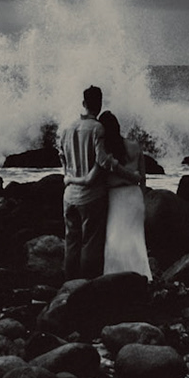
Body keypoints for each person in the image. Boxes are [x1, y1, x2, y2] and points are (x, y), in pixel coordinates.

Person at [58, 85, 127, 280]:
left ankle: (69, 284)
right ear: (100, 104)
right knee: (90, 243)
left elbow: (61, 157)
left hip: (69, 194)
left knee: (71, 242)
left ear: (83, 103)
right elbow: (103, 160)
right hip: (91, 196)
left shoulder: (67, 128)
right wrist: (126, 172)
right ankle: (87, 285)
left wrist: (69, 176)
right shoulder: (97, 128)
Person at [98, 109, 150, 277]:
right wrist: (142, 199)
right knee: (136, 241)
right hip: (134, 195)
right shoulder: (134, 146)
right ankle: (142, 276)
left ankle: (115, 278)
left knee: (114, 241)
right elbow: (143, 178)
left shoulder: (105, 151)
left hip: (116, 197)